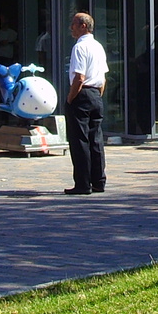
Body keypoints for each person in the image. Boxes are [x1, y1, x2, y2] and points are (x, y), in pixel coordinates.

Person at [64, 12, 109, 195]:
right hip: (96, 94)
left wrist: (70, 98)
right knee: (95, 139)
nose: (71, 28)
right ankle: (98, 181)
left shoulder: (80, 47)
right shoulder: (98, 46)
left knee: (79, 140)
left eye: (73, 24)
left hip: (82, 94)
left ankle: (83, 183)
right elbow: (103, 78)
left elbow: (79, 77)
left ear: (83, 26)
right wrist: (97, 95)